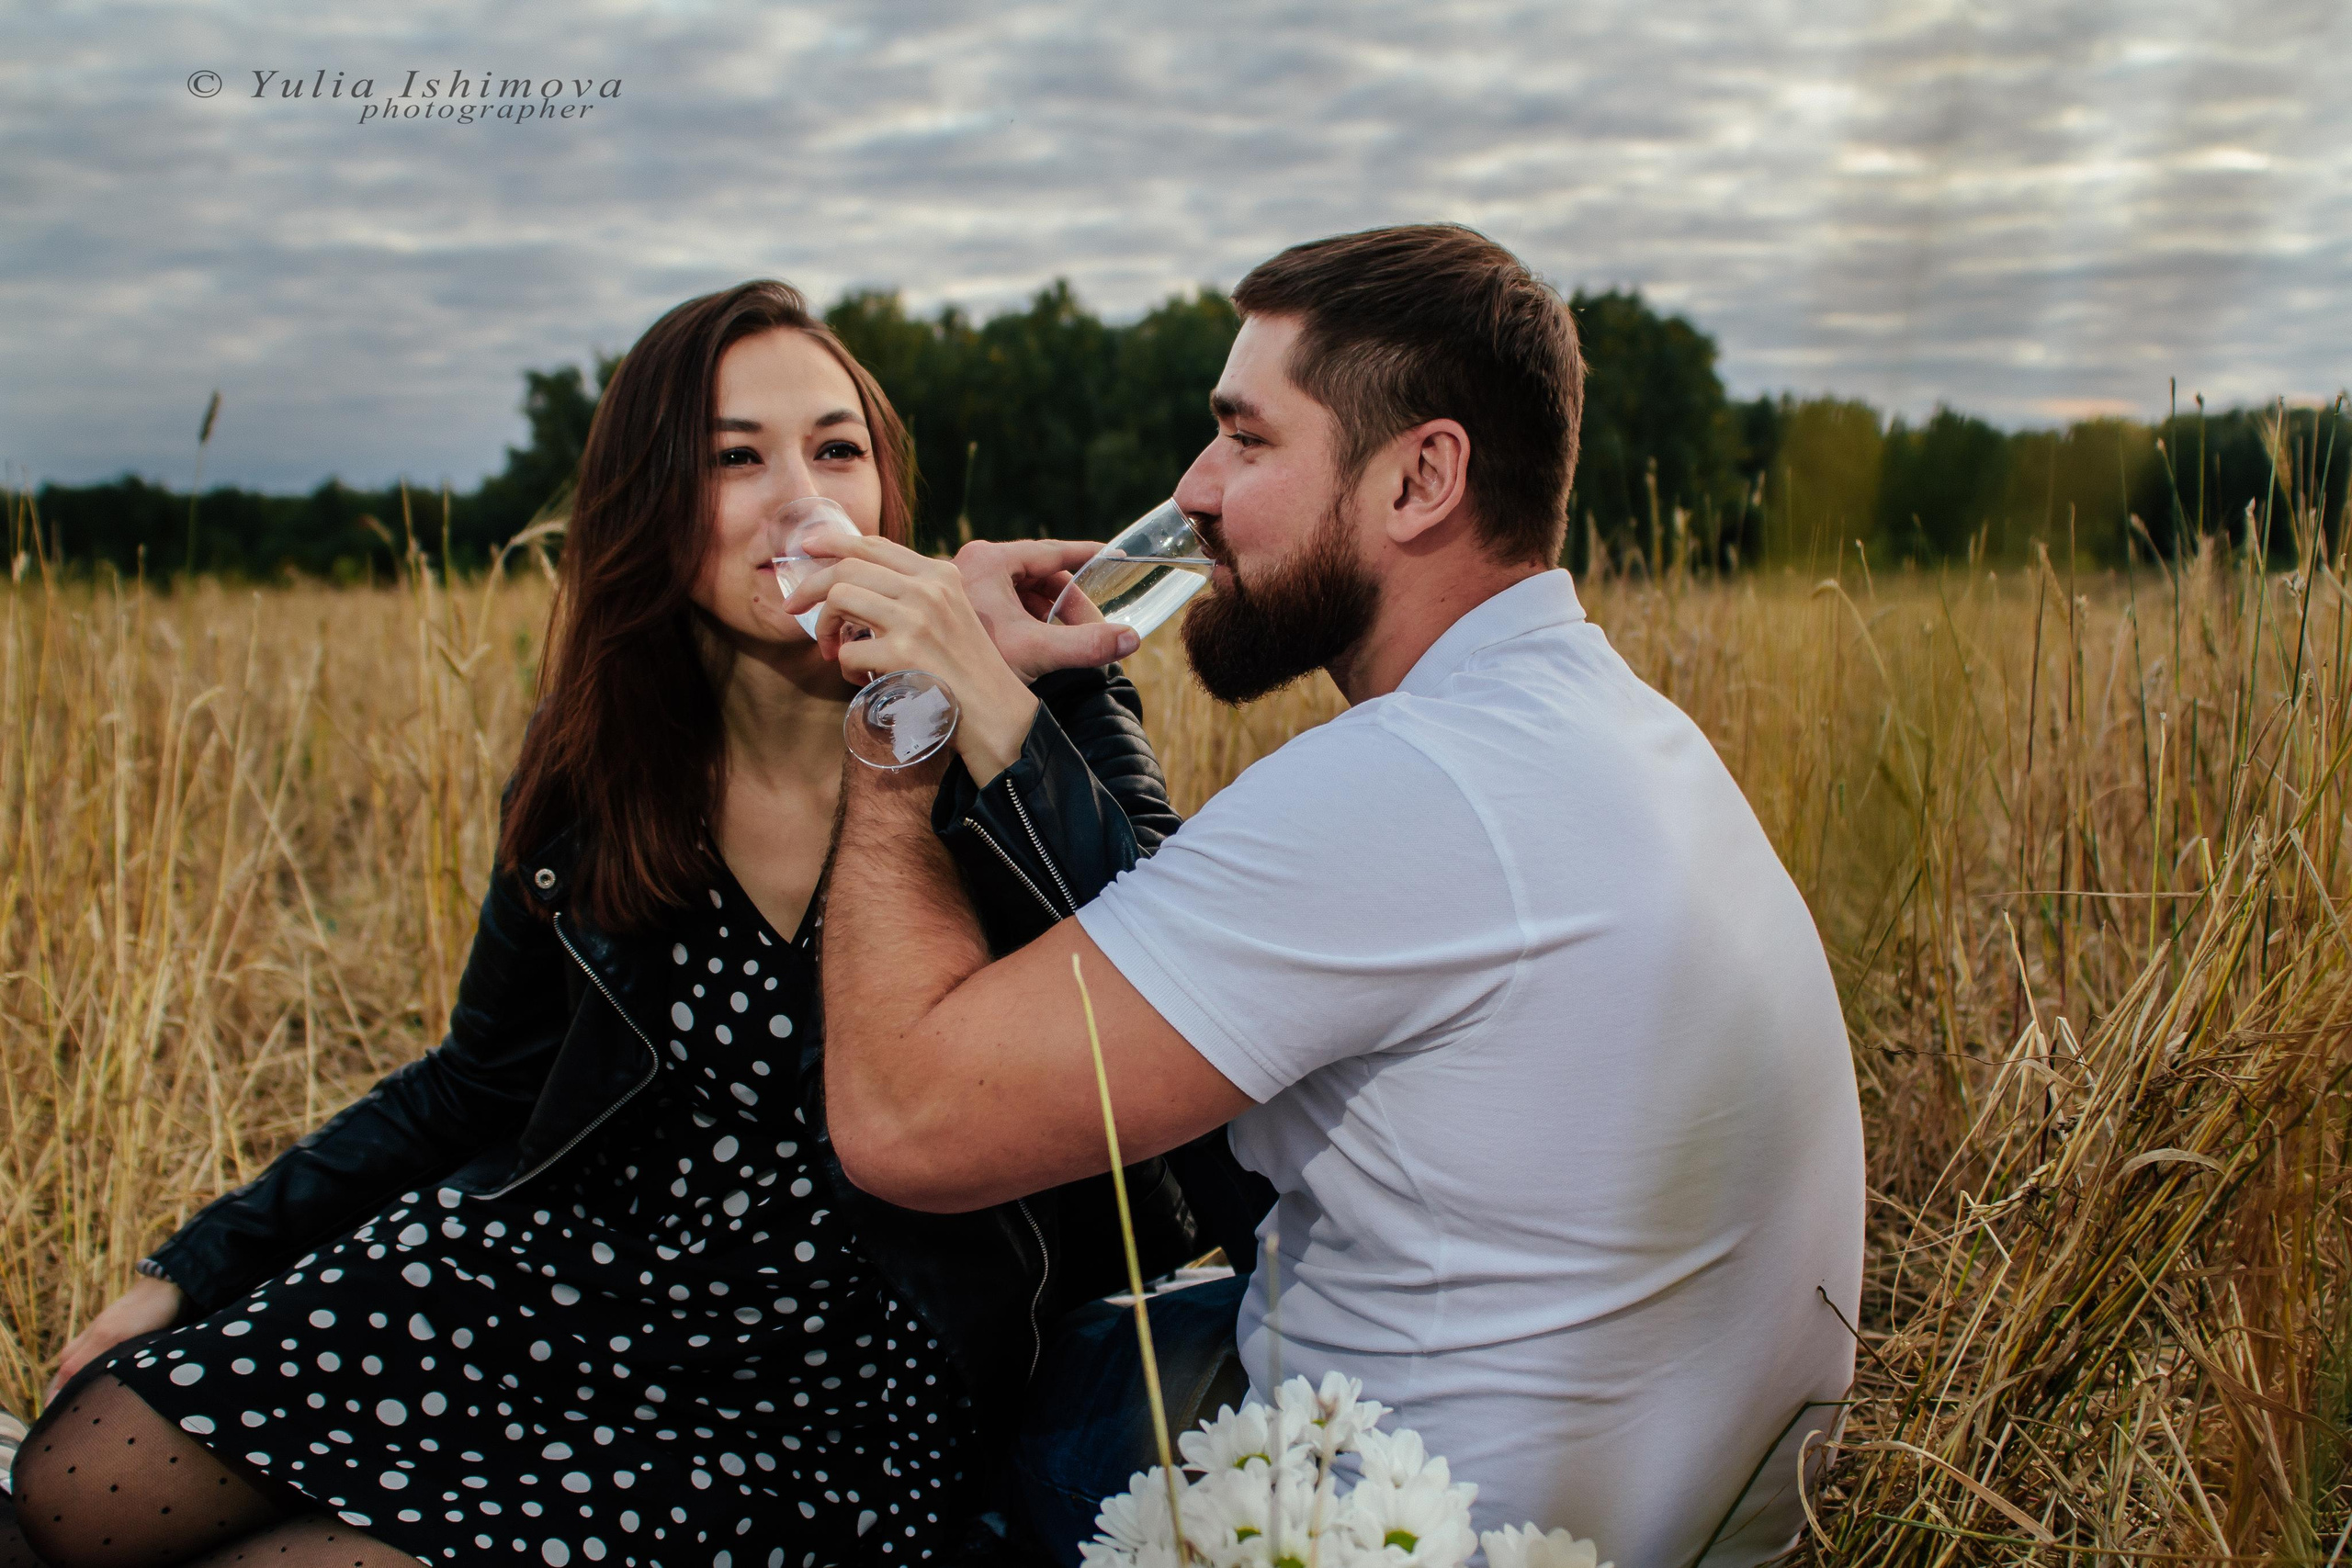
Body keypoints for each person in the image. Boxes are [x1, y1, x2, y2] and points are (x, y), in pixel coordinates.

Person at [1, 279, 1225, 1568]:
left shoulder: (1036, 700)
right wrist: (198, 1264)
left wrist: (976, 699)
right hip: (564, 1274)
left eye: (836, 449)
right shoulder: (611, 760)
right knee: (75, 1477)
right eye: (733, 458)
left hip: (836, 1374)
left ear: (885, 497)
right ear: (652, 505)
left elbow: (1184, 972)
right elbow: (478, 1080)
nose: (797, 499)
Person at [794, 225, 1868, 1568]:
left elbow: (903, 1120)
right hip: (1673, 1509)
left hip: (1404, 1521)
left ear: (1422, 475)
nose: (1194, 490)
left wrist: (904, 735)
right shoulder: (1612, 732)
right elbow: (1182, 953)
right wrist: (1070, 684)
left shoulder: (1407, 783)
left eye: (1247, 441)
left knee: (905, 1422)